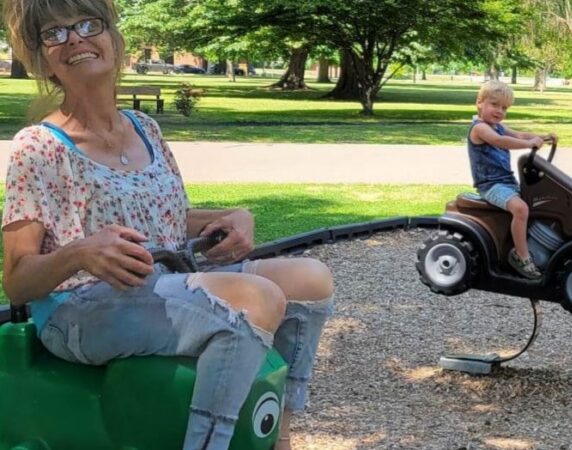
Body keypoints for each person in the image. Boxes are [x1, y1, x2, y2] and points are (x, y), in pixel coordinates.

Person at [1, 2, 333, 449]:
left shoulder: (144, 128)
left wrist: (232, 216)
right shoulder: (37, 147)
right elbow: (18, 281)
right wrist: (79, 253)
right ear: (42, 59)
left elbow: (168, 217)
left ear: (113, 39)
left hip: (163, 284)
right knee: (253, 301)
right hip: (78, 310)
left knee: (311, 278)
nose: (75, 39)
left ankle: (280, 435)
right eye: (55, 33)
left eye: (86, 24)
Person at [468, 80, 553, 279]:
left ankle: (540, 245)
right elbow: (499, 142)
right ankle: (521, 257)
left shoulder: (498, 126)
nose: (499, 111)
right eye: (494, 105)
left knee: (540, 199)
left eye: (504, 107)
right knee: (521, 209)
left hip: (506, 181)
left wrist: (542, 137)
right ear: (479, 103)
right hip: (490, 185)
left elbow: (520, 134)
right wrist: (529, 144)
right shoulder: (480, 128)